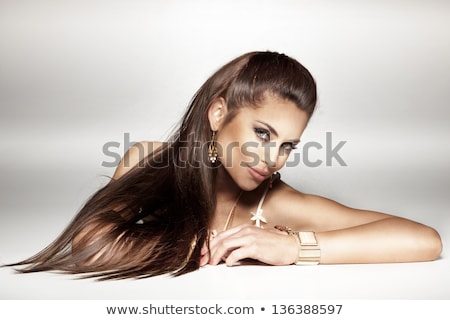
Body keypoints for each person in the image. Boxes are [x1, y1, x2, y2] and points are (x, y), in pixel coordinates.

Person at [7, 51, 442, 280]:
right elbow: (89, 243)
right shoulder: (148, 160)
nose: (273, 159)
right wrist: (189, 246)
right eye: (263, 134)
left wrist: (294, 249)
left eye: (288, 145)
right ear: (218, 114)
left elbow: (424, 240)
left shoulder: (276, 205)